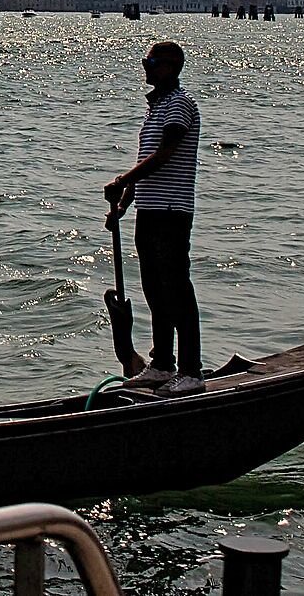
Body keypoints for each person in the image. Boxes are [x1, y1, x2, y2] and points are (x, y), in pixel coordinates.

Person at [104, 40, 204, 396]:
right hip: (149, 210)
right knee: (153, 289)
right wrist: (124, 204)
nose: (146, 67)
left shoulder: (180, 105)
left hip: (171, 211)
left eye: (152, 62)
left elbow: (163, 155)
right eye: (146, 61)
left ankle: (192, 370)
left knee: (176, 288)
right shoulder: (156, 108)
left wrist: (121, 180)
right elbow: (146, 159)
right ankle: (163, 364)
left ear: (171, 67)